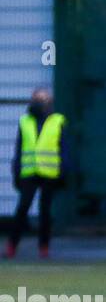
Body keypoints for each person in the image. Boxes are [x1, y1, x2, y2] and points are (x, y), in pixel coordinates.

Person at [6, 88, 68, 259]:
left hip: (49, 172)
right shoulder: (24, 121)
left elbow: (63, 148)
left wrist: (64, 169)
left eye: (43, 99)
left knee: (45, 211)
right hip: (29, 171)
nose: (40, 103)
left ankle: (44, 247)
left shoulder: (58, 121)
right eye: (37, 99)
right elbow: (19, 148)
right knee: (22, 209)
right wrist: (16, 171)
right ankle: (11, 246)